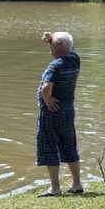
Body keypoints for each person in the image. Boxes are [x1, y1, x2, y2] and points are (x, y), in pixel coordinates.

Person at [36, 30, 83, 197]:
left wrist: (47, 100)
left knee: (49, 147)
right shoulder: (75, 59)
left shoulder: (55, 65)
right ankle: (76, 184)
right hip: (68, 111)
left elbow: (46, 87)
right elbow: (69, 45)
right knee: (69, 146)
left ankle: (55, 188)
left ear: (59, 45)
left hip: (51, 112)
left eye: (53, 44)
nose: (50, 47)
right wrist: (52, 40)